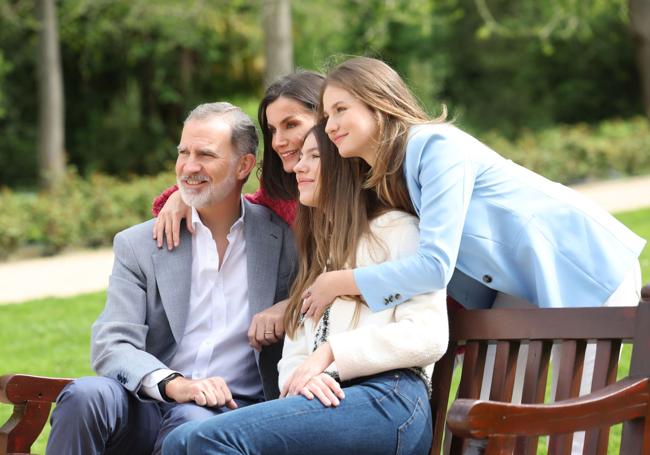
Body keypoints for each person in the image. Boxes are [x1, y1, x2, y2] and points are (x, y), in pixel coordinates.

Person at [300, 56, 646, 454]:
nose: (330, 125)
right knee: (499, 414)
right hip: (515, 284)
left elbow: (434, 266)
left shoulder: (433, 147)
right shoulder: (389, 175)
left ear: (378, 102)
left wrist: (338, 282)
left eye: (341, 109)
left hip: (581, 263)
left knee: (583, 429)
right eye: (326, 115)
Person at [161, 123, 448, 455]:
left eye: (314, 157)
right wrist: (302, 378)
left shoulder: (397, 230)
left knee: (207, 440)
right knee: (178, 441)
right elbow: (295, 355)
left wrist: (331, 355)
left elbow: (428, 336)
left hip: (390, 399)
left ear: (345, 167)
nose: (298, 166)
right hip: (330, 398)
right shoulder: (320, 257)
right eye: (300, 157)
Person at [45, 102, 297, 455]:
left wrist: (287, 307)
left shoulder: (283, 240)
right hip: (148, 397)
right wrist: (174, 384)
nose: (189, 167)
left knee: (194, 426)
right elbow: (112, 343)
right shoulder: (138, 244)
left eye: (205, 155)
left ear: (244, 166)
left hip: (229, 412)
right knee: (85, 395)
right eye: (184, 152)